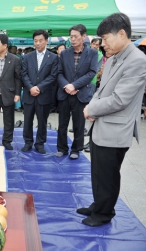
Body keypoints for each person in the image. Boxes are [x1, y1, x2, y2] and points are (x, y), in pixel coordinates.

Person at [77, 13, 146, 227]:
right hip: (102, 124)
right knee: (98, 171)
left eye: (106, 38)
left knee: (108, 175)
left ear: (122, 34)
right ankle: (99, 204)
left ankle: (104, 213)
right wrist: (92, 107)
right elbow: (102, 89)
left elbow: (119, 99)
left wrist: (91, 108)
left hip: (116, 130)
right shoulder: (115, 56)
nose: (102, 44)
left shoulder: (137, 60)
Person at [55, 24, 98, 159]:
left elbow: (91, 72)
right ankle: (62, 148)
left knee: (79, 124)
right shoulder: (65, 53)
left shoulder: (92, 53)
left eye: (75, 36)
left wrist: (74, 85)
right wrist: (67, 86)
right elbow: (59, 72)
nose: (72, 39)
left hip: (81, 93)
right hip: (65, 93)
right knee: (62, 123)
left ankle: (76, 149)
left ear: (84, 37)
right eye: (71, 36)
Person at [21, 30, 58, 154]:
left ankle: (40, 143)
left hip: (44, 95)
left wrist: (39, 87)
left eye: (40, 40)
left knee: (42, 121)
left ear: (46, 41)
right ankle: (28, 142)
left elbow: (53, 76)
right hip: (29, 94)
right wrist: (31, 87)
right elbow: (24, 74)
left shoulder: (53, 57)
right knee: (27, 120)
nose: (37, 43)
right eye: (35, 41)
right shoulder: (27, 56)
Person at [84, 38, 104, 153]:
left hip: (91, 83)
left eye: (98, 45)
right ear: (91, 44)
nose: (96, 46)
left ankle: (91, 141)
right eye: (94, 44)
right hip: (84, 83)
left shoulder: (100, 55)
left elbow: (95, 70)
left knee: (90, 108)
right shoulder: (86, 52)